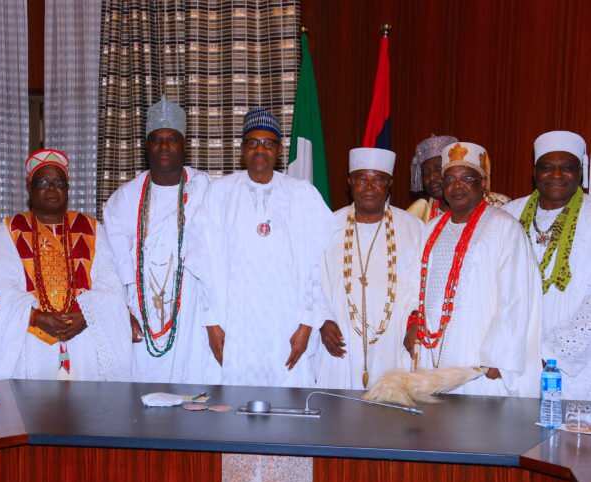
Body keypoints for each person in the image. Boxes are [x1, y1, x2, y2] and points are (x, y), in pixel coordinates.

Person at [0, 149, 131, 381]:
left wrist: (87, 314)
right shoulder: (10, 230)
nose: (51, 188)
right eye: (43, 182)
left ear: (67, 189)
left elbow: (111, 285)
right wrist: (35, 316)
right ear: (30, 188)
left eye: (58, 182)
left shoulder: (90, 228)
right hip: (30, 341)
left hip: (85, 338)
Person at [203, 107, 333, 388]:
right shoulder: (218, 193)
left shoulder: (303, 195)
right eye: (252, 143)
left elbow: (320, 264)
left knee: (288, 415)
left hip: (287, 325)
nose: (260, 150)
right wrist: (212, 323)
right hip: (235, 324)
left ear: (279, 150)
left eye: (268, 143)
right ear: (242, 150)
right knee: (234, 414)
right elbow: (205, 261)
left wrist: (307, 324)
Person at [404, 142, 541, 396]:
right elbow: (415, 286)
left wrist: (499, 355)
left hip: (479, 358)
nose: (457, 186)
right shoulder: (430, 229)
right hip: (431, 350)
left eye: (467, 178)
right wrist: (413, 323)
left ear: (483, 183)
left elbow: (516, 298)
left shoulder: (504, 228)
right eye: (450, 179)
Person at [104, 96, 219, 384]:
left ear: (184, 145)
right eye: (157, 139)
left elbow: (220, 261)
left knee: (193, 398)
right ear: (147, 146)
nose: (165, 146)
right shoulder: (123, 200)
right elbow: (111, 267)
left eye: (172, 139)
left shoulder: (208, 192)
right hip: (138, 311)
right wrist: (121, 312)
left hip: (193, 311)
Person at [317, 147, 422, 390]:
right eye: (362, 179)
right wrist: (322, 320)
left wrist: (414, 322)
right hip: (341, 340)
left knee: (389, 420)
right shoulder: (328, 226)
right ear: (350, 182)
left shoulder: (413, 228)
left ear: (389, 184)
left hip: (393, 339)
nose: (369, 187)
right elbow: (313, 280)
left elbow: (422, 285)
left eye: (378, 180)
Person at [504, 131, 591, 400]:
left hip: (575, 363)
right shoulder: (509, 214)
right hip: (512, 357)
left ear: (580, 172)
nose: (556, 175)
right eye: (547, 167)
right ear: (534, 172)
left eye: (567, 167)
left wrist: (550, 354)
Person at [408, 134, 510, 222]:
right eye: (426, 172)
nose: (432, 177)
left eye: (438, 169)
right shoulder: (419, 213)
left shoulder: (500, 205)